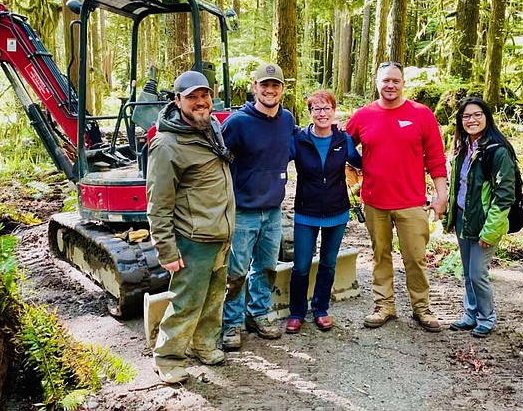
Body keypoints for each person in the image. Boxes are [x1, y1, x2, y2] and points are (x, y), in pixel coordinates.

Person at [147, 70, 235, 384]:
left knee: (214, 298)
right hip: (192, 239)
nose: (200, 102)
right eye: (192, 97)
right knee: (186, 302)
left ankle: (204, 344)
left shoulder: (211, 127)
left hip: (220, 234)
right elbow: (158, 204)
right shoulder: (166, 145)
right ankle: (168, 358)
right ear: (177, 100)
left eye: (204, 95)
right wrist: (166, 250)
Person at [346, 62, 448, 332]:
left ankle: (422, 308)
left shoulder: (421, 114)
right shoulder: (363, 115)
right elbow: (342, 146)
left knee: (415, 257)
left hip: (411, 202)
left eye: (395, 81)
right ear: (376, 83)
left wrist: (441, 195)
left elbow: (436, 159)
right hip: (374, 201)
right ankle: (384, 305)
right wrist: (352, 171)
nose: (390, 85)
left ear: (403, 83)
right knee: (381, 255)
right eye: (385, 81)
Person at [221, 62, 295, 350]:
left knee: (265, 267)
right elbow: (219, 162)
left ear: (282, 90)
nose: (269, 90)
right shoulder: (237, 123)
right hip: (243, 211)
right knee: (236, 272)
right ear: (255, 88)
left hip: (273, 210)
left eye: (275, 85)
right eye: (264, 85)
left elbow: (289, 149)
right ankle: (232, 324)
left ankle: (258, 315)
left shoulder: (286, 119)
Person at [286, 90, 362, 334]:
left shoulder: (343, 140)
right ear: (309, 113)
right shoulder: (299, 139)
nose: (322, 113)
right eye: (316, 109)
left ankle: (320, 309)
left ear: (334, 111)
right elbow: (274, 158)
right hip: (305, 212)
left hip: (337, 212)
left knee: (328, 264)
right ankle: (297, 312)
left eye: (327, 108)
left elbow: (364, 162)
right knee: (301, 266)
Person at [443, 97, 517, 338]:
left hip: (486, 220)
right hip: (465, 216)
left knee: (477, 272)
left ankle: (487, 317)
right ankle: (470, 314)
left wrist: (491, 230)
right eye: (466, 116)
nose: (471, 120)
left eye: (477, 115)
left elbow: (505, 195)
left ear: (486, 117)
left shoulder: (497, 150)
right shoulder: (462, 147)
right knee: (467, 271)